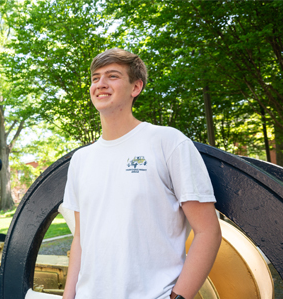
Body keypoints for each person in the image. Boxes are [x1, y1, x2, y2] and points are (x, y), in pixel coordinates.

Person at [61, 48, 222, 299]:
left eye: (112, 76)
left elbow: (208, 231)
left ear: (136, 87)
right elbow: (81, 237)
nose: (100, 84)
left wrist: (178, 297)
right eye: (95, 78)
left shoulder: (168, 142)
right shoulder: (81, 159)